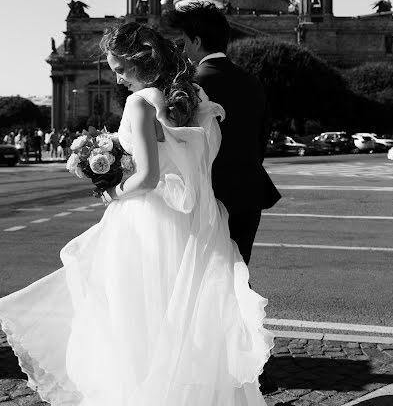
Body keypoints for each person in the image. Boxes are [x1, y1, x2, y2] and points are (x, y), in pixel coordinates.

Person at [0, 22, 273, 406]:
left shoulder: (141, 102)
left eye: (119, 69)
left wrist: (112, 191)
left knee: (135, 314)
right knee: (179, 314)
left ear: (139, 62)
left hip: (147, 220)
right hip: (191, 219)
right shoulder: (193, 95)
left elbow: (147, 177)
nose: (116, 78)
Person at [165, 1, 281, 265]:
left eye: (183, 42)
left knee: (206, 280)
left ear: (196, 41)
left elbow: (178, 145)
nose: (182, 50)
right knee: (237, 274)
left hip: (206, 198)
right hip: (248, 193)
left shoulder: (189, 86)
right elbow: (261, 140)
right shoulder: (253, 82)